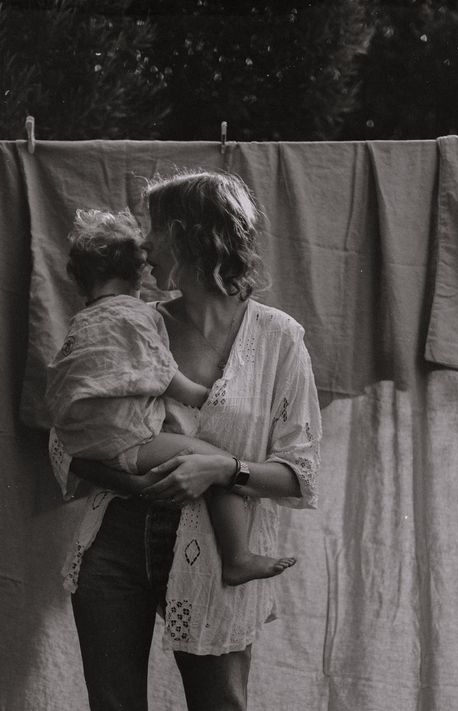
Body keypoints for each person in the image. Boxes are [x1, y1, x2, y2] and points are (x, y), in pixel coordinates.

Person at [49, 170, 321, 711]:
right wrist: (137, 479)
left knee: (220, 704)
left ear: (196, 234)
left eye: (156, 228)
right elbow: (69, 440)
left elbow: (299, 473)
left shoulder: (278, 339)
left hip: (218, 553)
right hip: (116, 540)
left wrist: (221, 471)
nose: (144, 245)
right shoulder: (125, 322)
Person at [47, 207, 296, 586]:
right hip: (128, 444)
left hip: (89, 443)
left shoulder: (83, 323)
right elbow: (163, 375)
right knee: (218, 461)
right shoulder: (133, 316)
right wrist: (207, 395)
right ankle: (238, 558)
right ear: (135, 274)